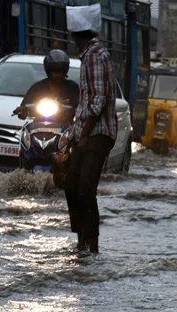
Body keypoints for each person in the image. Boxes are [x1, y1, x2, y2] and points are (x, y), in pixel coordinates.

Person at [64, 4, 117, 254]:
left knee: (85, 189)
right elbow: (86, 103)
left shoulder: (96, 55)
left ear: (77, 33)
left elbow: (98, 100)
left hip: (98, 132)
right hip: (85, 130)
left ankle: (91, 244)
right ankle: (81, 238)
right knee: (71, 184)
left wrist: (84, 135)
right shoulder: (89, 54)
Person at [13, 49, 80, 121]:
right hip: (39, 128)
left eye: (61, 71)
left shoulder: (73, 87)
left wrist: (76, 110)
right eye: (55, 72)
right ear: (48, 71)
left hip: (66, 129)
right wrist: (23, 111)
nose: (59, 75)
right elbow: (24, 109)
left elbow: (82, 108)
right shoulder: (38, 87)